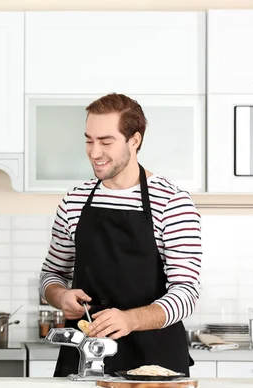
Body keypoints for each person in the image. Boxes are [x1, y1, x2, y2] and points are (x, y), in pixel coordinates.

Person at [39, 93, 202, 376]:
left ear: (134, 140)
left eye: (106, 141)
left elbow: (186, 293)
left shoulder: (172, 202)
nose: (93, 152)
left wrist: (129, 319)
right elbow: (51, 275)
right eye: (89, 140)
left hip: (155, 364)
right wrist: (59, 296)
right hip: (85, 359)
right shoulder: (74, 201)